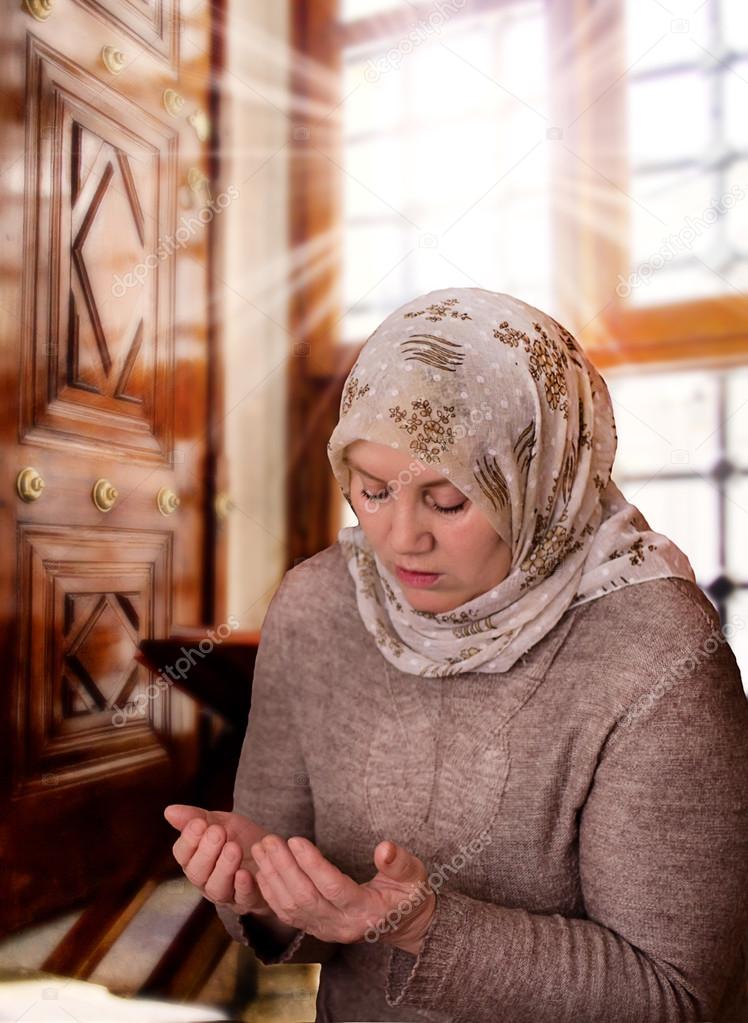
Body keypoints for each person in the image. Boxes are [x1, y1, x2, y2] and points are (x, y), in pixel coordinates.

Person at [165, 287, 748, 1023]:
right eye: (372, 491)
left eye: (446, 501)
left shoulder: (660, 652)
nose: (401, 538)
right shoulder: (317, 606)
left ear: (540, 482)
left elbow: (675, 996)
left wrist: (419, 926)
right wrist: (264, 891)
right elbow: (303, 928)